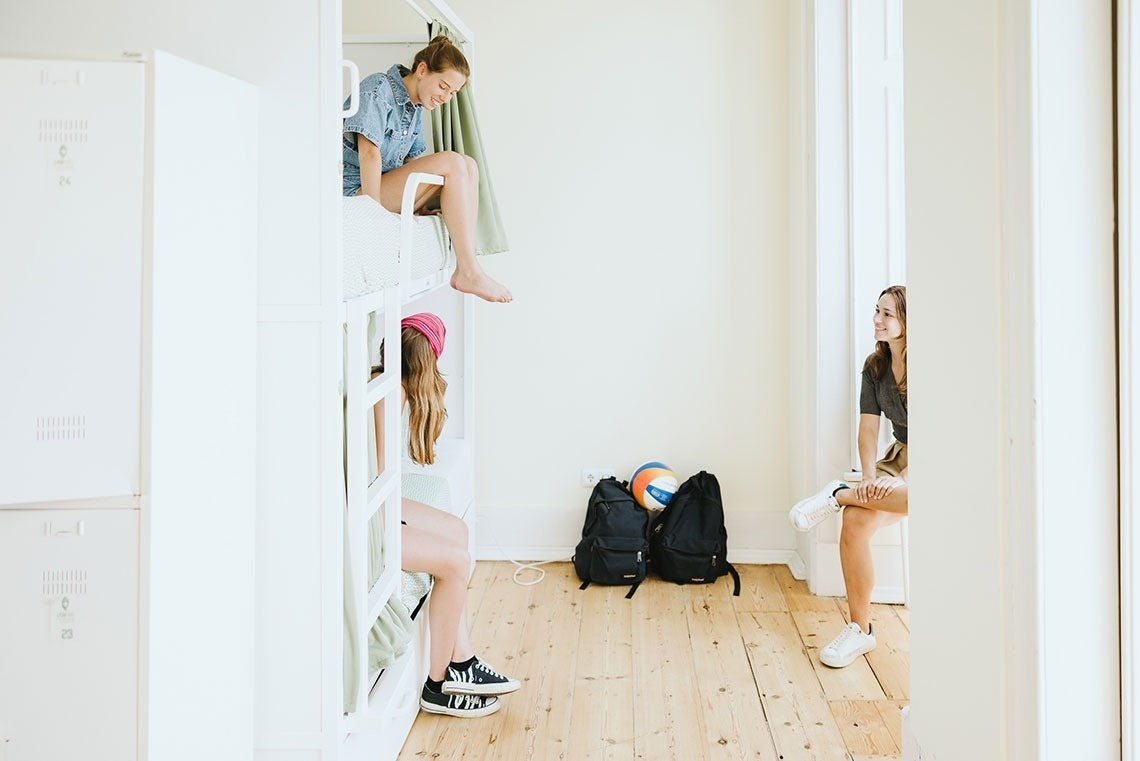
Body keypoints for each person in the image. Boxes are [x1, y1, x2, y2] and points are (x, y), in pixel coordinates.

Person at [373, 312, 519, 717]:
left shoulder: (389, 386)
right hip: (367, 518)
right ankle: (438, 686)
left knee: (455, 530)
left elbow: (381, 481)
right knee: (456, 562)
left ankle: (463, 661)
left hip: (374, 503)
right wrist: (402, 527)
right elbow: (381, 485)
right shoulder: (391, 396)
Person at [788, 285, 909, 669]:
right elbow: (869, 431)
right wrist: (872, 478)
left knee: (920, 495)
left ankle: (838, 494)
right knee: (855, 522)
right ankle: (861, 631)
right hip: (899, 457)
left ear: (908, 320)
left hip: (936, 461)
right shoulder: (875, 368)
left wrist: (906, 480)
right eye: (877, 311)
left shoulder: (934, 366)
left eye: (887, 314)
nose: (878, 319)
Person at [343, 36, 512, 304]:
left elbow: (411, 164)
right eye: (443, 86)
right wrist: (373, 216)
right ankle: (468, 270)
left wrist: (419, 204)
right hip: (358, 191)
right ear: (422, 70)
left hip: (384, 186)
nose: (445, 98)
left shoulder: (415, 107)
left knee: (468, 165)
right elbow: (369, 153)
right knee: (453, 162)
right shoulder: (377, 89)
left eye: (452, 93)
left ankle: (468, 263)